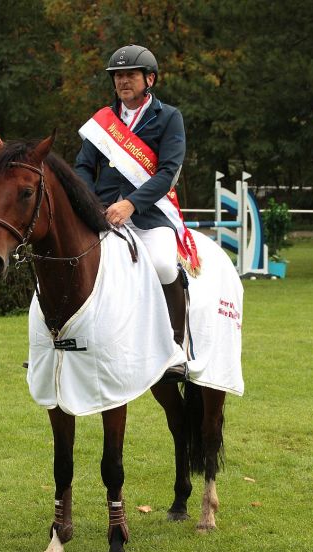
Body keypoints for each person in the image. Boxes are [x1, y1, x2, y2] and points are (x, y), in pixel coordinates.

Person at [75, 44, 200, 382]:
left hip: (149, 214)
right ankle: (65, 342)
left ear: (150, 79)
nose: (123, 81)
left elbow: (168, 172)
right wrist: (91, 202)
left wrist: (131, 203)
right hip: (101, 214)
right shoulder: (103, 120)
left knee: (163, 264)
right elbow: (83, 166)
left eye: (130, 74)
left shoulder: (169, 117)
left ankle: (177, 347)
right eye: (117, 76)